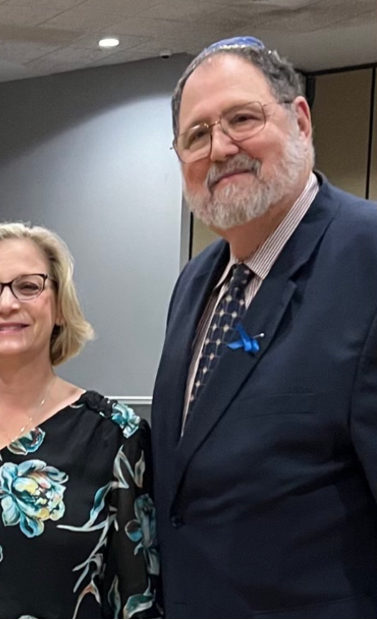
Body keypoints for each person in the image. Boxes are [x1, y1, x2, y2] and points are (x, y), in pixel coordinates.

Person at [152, 36, 377, 619]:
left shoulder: (367, 259)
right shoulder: (197, 281)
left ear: (300, 120)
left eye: (242, 119)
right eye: (195, 135)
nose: (220, 148)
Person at [0, 223, 159, 619]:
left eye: (28, 286)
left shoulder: (115, 436)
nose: (6, 304)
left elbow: (136, 599)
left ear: (58, 306)